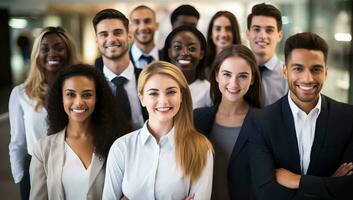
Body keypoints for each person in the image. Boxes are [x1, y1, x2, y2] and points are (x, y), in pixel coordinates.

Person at [245, 32, 353, 200]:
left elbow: (349, 189)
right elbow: (265, 192)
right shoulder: (261, 121)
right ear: (285, 71)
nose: (307, 78)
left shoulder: (348, 118)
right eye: (298, 68)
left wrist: (297, 181)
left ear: (326, 72)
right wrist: (330, 183)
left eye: (316, 69)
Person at [102, 61, 214, 200]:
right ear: (142, 98)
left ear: (181, 96)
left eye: (171, 92)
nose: (163, 101)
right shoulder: (121, 148)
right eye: (153, 93)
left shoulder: (200, 149)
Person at [29, 64, 132, 200]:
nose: (78, 102)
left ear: (97, 98)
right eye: (70, 94)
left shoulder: (118, 143)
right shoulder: (42, 149)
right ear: (61, 98)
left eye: (87, 95)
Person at [8, 26, 78, 200]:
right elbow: (17, 143)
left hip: (73, 166)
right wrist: (22, 179)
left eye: (59, 48)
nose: (52, 53)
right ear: (36, 54)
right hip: (35, 169)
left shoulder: (79, 90)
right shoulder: (20, 93)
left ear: (68, 52)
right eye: (45, 48)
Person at [194, 45, 263, 200]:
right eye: (227, 74)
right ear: (217, 75)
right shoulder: (197, 119)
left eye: (243, 76)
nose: (234, 83)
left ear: (252, 79)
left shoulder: (264, 122)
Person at [92, 8, 147, 129]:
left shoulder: (148, 79)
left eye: (117, 32)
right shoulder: (90, 85)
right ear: (97, 41)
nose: (111, 39)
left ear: (129, 36)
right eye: (104, 34)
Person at [246, 3, 288, 106]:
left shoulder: (288, 76)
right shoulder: (237, 71)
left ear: (279, 35)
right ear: (248, 33)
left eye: (269, 30)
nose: (262, 36)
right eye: (256, 29)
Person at [162, 25, 212, 109]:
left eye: (192, 49)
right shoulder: (158, 85)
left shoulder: (208, 90)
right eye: (177, 47)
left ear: (201, 54)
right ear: (169, 52)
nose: (184, 53)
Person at [205, 11, 241, 76]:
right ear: (211, 33)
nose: (223, 34)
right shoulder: (201, 66)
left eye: (228, 29)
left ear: (235, 33)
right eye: (218, 29)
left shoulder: (244, 64)